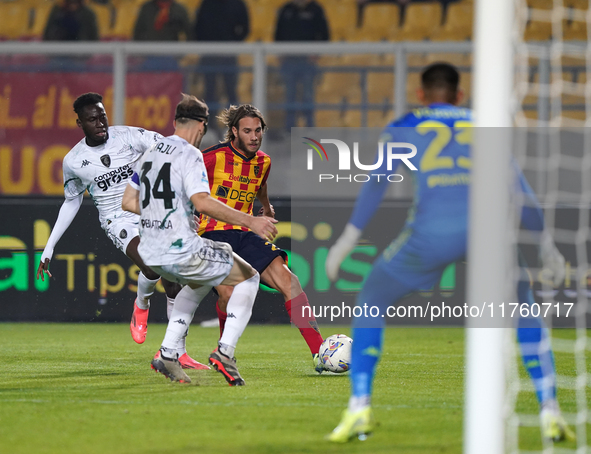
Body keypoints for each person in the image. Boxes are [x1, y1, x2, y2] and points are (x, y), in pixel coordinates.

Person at [324, 63, 574, 443]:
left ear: (421, 94)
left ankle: (360, 406)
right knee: (525, 308)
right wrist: (548, 249)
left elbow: (377, 183)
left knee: (372, 300)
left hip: (431, 233)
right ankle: (549, 409)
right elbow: (520, 192)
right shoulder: (485, 124)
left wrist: (346, 240)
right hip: (489, 233)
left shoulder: (405, 125)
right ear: (460, 95)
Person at [36, 92, 207, 371]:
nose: (100, 123)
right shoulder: (74, 161)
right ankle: (141, 304)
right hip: (118, 219)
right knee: (152, 264)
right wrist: (50, 245)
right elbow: (72, 200)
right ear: (80, 124)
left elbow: (166, 147)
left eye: (102, 116)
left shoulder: (128, 136)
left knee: (174, 279)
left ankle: (177, 352)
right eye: (93, 120)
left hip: (150, 210)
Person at [121, 94, 278, 385]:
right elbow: (203, 202)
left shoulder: (151, 151)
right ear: (203, 125)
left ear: (176, 121)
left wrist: (170, 211)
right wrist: (251, 220)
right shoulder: (191, 154)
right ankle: (225, 352)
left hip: (151, 255)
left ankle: (167, 353)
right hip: (181, 249)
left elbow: (128, 202)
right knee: (249, 277)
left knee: (200, 282)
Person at [198, 104, 325, 373]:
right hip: (211, 233)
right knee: (228, 294)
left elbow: (260, 183)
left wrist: (265, 208)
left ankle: (320, 352)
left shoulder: (263, 161)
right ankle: (224, 351)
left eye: (258, 131)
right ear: (233, 131)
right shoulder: (210, 158)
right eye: (247, 131)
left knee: (290, 281)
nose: (254, 136)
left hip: (245, 233)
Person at [274, 0, 329, 131]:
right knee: (289, 96)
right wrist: (280, 53)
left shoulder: (316, 10)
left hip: (307, 61)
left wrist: (316, 53)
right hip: (289, 61)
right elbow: (277, 34)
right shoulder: (285, 9)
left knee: (308, 96)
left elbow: (325, 35)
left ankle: (310, 128)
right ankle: (289, 128)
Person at [193, 0, 249, 116]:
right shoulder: (207, 3)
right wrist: (206, 45)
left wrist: (233, 43)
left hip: (229, 55)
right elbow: (198, 27)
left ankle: (233, 125)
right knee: (209, 91)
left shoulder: (237, 4)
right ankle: (209, 126)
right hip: (209, 55)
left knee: (231, 91)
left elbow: (245, 28)